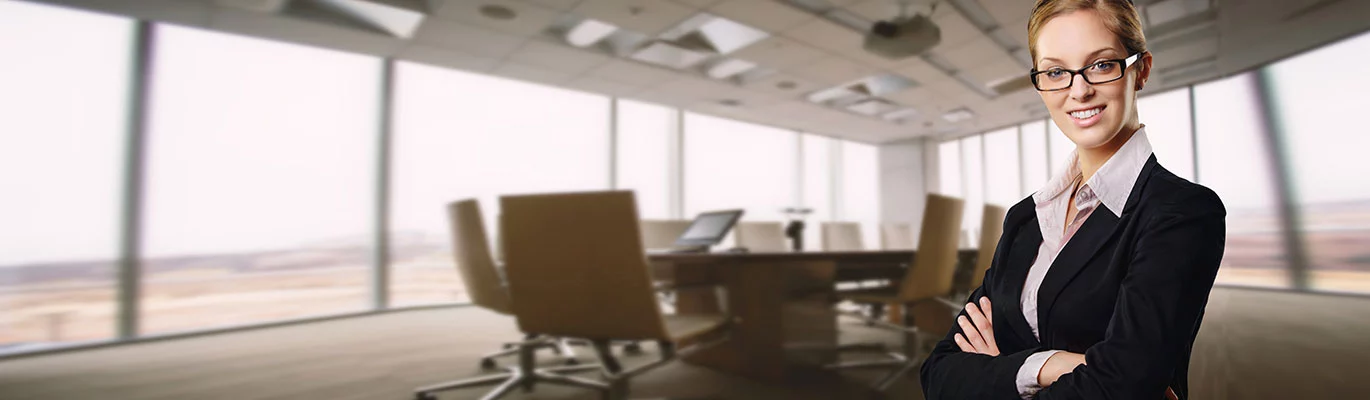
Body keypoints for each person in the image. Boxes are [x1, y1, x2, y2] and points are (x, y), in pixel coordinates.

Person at [918, 0, 1226, 399]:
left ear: (1141, 70)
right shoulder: (1025, 218)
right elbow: (939, 372)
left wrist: (998, 371)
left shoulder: (1181, 211)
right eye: (1056, 71)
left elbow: (1123, 386)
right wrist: (1051, 364)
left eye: (1101, 65)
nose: (1078, 91)